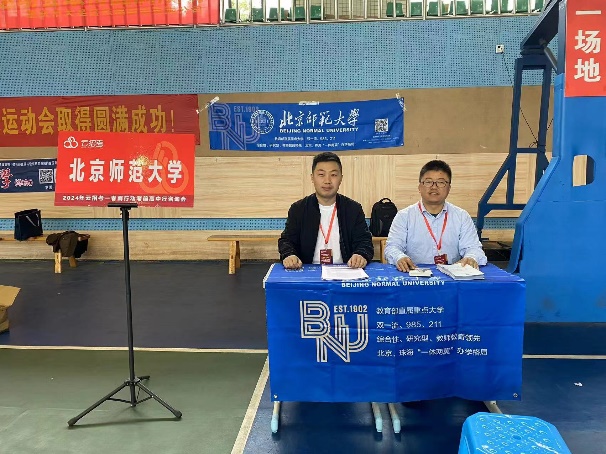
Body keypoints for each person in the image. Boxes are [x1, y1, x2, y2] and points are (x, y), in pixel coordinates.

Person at [384, 160, 487, 272]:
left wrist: (471, 257)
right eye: (428, 182)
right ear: (420, 187)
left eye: (441, 182)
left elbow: (473, 248)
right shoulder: (404, 216)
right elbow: (392, 247)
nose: (434, 187)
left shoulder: (462, 216)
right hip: (414, 275)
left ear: (449, 188)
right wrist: (400, 257)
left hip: (452, 276)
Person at [278, 152, 374, 270]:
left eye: (333, 175)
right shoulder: (298, 209)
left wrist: (361, 254)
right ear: (312, 178)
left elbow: (364, 241)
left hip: (345, 270)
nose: (327, 180)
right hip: (307, 271)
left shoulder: (353, 209)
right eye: (321, 174)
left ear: (341, 178)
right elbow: (287, 240)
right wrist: (289, 254)